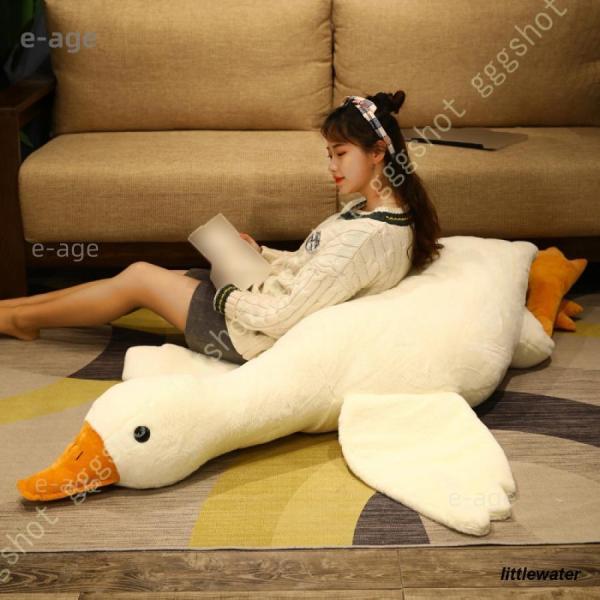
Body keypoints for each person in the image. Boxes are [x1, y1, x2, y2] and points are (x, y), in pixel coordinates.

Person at [0, 90, 444, 365]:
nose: (331, 166)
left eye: (340, 153)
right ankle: (16, 310)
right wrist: (262, 254)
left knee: (139, 277)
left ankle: (17, 317)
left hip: (247, 335)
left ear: (378, 152)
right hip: (258, 297)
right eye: (329, 154)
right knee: (147, 278)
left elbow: (283, 317)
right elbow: (315, 270)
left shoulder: (367, 237)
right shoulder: (373, 212)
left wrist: (224, 291)